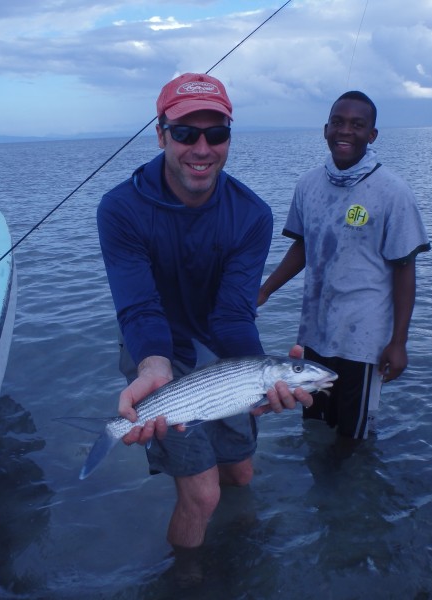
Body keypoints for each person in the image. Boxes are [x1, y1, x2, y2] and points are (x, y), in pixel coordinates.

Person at [96, 73, 312, 553]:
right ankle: (187, 580)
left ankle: (240, 551)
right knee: (203, 495)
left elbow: (233, 315)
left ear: (229, 137)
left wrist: (262, 374)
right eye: (185, 132)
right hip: (152, 344)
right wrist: (153, 364)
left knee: (240, 472)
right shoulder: (120, 209)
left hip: (220, 352)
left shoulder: (252, 215)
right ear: (160, 133)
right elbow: (139, 305)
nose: (202, 147)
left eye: (216, 134)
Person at [258, 90, 430, 447]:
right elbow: (303, 246)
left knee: (353, 440)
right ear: (325, 129)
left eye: (357, 124)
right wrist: (264, 290)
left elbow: (404, 269)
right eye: (338, 122)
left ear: (372, 134)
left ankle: (354, 499)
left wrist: (399, 342)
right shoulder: (308, 184)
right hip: (316, 332)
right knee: (316, 427)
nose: (345, 131)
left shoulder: (392, 191)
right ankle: (322, 499)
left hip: (363, 341)